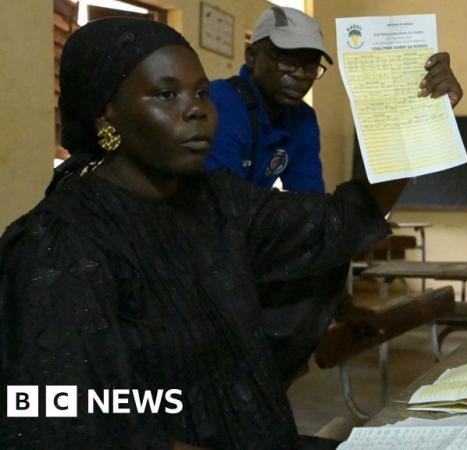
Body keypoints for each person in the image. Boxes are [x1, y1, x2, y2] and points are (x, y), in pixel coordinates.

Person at [0, 18, 411, 449]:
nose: (196, 109)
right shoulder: (58, 245)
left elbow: (336, 221)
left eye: (201, 93)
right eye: (165, 94)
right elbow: (51, 418)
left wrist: (416, 117)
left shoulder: (216, 201)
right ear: (108, 112)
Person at [204, 6, 463, 192]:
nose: (300, 76)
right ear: (251, 57)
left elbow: (307, 201)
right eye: (287, 61)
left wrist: (428, 111)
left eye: (310, 66)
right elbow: (223, 211)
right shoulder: (220, 103)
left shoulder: (301, 118)